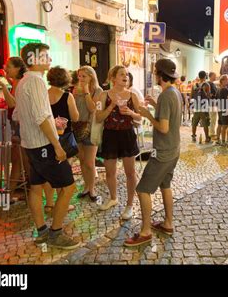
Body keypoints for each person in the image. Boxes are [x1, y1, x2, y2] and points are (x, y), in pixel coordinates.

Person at [13, 42, 79, 249]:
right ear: (33, 59)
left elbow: (18, 114)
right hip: (43, 145)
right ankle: (55, 234)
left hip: (30, 144)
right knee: (69, 188)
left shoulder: (23, 82)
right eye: (45, 56)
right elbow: (41, 116)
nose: (49, 60)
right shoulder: (36, 82)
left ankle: (42, 231)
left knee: (35, 188)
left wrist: (50, 121)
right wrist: (57, 145)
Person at [124, 59, 181, 247]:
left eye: (155, 72)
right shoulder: (174, 92)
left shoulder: (166, 95)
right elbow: (170, 116)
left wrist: (147, 115)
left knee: (142, 190)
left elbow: (163, 128)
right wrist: (155, 105)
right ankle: (168, 224)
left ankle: (146, 231)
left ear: (159, 74)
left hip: (163, 151)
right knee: (165, 185)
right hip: (174, 149)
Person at [95, 65, 141, 220]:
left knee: (130, 172)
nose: (125, 76)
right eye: (122, 74)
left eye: (127, 74)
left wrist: (131, 112)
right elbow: (98, 117)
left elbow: (140, 117)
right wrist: (112, 105)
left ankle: (129, 205)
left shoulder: (132, 95)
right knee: (110, 172)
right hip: (110, 135)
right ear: (113, 78)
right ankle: (113, 198)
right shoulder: (103, 95)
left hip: (127, 134)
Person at [43, 67, 79, 214]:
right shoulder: (67, 96)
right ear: (66, 79)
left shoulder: (43, 94)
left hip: (46, 137)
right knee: (63, 171)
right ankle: (61, 204)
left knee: (48, 171)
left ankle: (49, 204)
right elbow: (75, 117)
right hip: (64, 139)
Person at [0, 57, 29, 194]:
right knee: (18, 158)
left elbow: (13, 103)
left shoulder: (20, 82)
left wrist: (2, 86)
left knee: (20, 158)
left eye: (9, 66)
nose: (6, 68)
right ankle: (14, 189)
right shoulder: (16, 82)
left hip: (20, 124)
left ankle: (21, 189)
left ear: (18, 68)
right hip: (17, 123)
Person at [72, 66, 103, 201]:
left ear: (91, 77)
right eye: (79, 76)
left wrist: (85, 93)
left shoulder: (98, 90)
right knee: (82, 160)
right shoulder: (75, 89)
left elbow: (92, 108)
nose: (81, 79)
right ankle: (86, 186)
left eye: (84, 76)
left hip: (91, 129)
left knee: (90, 162)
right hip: (77, 127)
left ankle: (92, 189)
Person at [190, 71, 211, 143]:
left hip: (196, 106)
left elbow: (191, 96)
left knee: (194, 122)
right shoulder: (207, 85)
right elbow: (208, 96)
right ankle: (207, 138)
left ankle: (193, 136)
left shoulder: (194, 85)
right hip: (204, 106)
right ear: (205, 76)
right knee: (205, 122)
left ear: (199, 76)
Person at [215, 74, 228, 146]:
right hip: (224, 109)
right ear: (223, 81)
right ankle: (223, 141)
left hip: (220, 109)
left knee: (220, 124)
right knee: (225, 126)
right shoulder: (224, 89)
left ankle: (218, 140)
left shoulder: (218, 89)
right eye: (227, 79)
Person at [208, 72, 218, 140]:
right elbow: (211, 94)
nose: (216, 77)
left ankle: (212, 132)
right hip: (212, 103)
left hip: (213, 102)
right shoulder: (210, 84)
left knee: (213, 118)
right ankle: (211, 133)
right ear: (211, 76)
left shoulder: (212, 84)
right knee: (213, 118)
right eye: (214, 76)